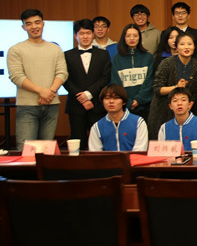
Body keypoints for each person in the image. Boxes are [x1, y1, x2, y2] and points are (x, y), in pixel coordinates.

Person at [8, 9, 69, 150]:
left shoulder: (55, 49)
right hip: (27, 106)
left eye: (37, 22)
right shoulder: (16, 49)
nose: (34, 26)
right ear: (23, 27)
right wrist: (42, 91)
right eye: (29, 24)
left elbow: (62, 73)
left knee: (46, 150)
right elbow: (17, 76)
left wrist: (50, 92)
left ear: (43, 24)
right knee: (26, 150)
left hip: (52, 105)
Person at [149, 32, 197, 139]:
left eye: (189, 44)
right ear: (176, 47)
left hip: (185, 113)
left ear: (194, 46)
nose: (186, 47)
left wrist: (188, 106)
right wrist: (176, 87)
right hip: (162, 110)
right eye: (182, 44)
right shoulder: (166, 63)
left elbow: (195, 91)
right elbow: (157, 88)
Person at [63, 19, 111, 150]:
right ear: (75, 36)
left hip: (96, 104)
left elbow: (105, 77)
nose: (85, 36)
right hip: (75, 105)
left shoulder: (103, 54)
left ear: (93, 34)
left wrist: (88, 94)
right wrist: (82, 98)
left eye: (88, 33)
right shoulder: (67, 55)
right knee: (77, 141)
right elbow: (65, 79)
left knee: (99, 140)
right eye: (81, 33)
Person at [111, 23, 154, 119]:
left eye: (135, 35)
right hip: (123, 107)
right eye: (128, 36)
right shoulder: (117, 58)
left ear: (139, 38)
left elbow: (150, 81)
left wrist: (139, 100)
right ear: (124, 38)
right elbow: (116, 83)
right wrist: (128, 102)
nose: (132, 38)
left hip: (145, 107)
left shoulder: (148, 57)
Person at [88, 84, 149, 152]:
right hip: (106, 159)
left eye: (116, 98)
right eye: (107, 98)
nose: (111, 101)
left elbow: (140, 150)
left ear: (124, 102)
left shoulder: (138, 122)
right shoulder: (97, 127)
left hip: (133, 159)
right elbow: (95, 153)